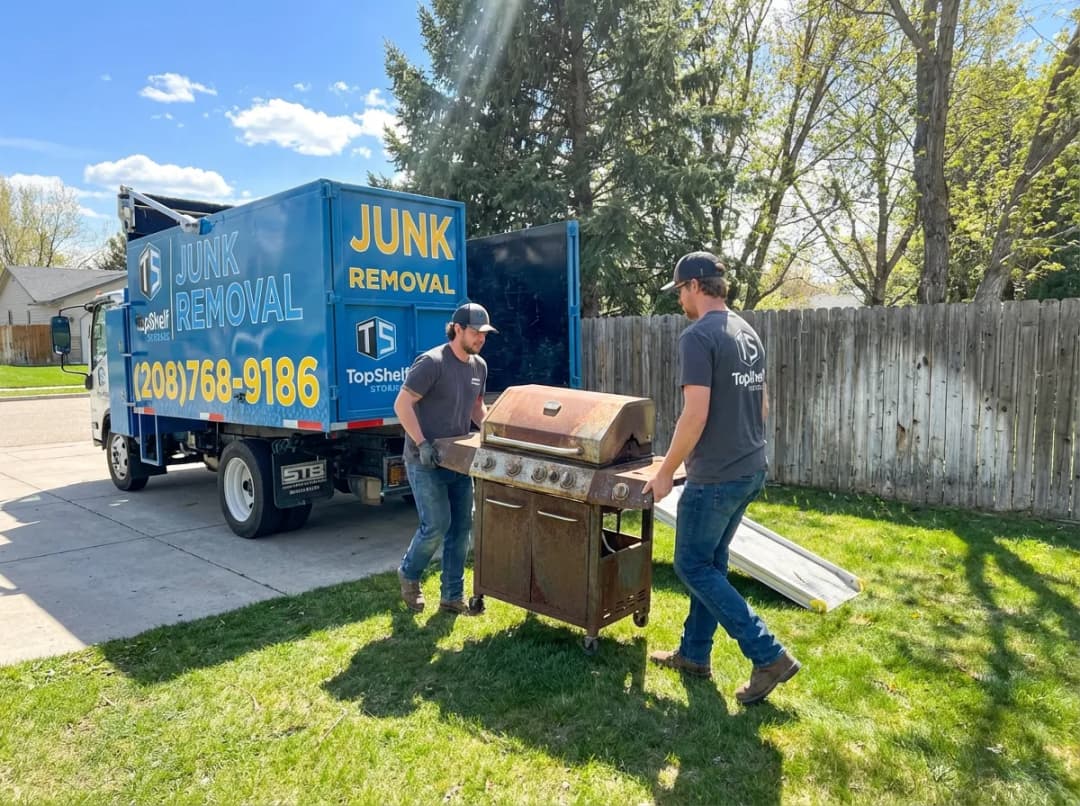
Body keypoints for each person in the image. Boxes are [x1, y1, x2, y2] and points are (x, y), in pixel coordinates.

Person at [643, 251, 800, 705]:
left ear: (694, 286)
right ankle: (694, 653)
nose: (679, 302)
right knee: (710, 566)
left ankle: (768, 654)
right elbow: (763, 405)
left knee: (691, 566)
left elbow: (694, 414)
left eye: (679, 292)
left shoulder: (699, 336)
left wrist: (665, 471)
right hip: (751, 467)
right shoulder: (746, 332)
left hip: (715, 478)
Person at [393, 302, 497, 616]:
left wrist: (493, 431)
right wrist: (422, 443)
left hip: (457, 460)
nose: (480, 339)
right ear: (457, 329)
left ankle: (452, 596)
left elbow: (476, 407)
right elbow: (402, 405)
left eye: (484, 334)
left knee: (462, 528)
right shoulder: (432, 362)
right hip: (424, 459)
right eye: (475, 332)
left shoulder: (479, 366)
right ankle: (409, 574)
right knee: (436, 525)